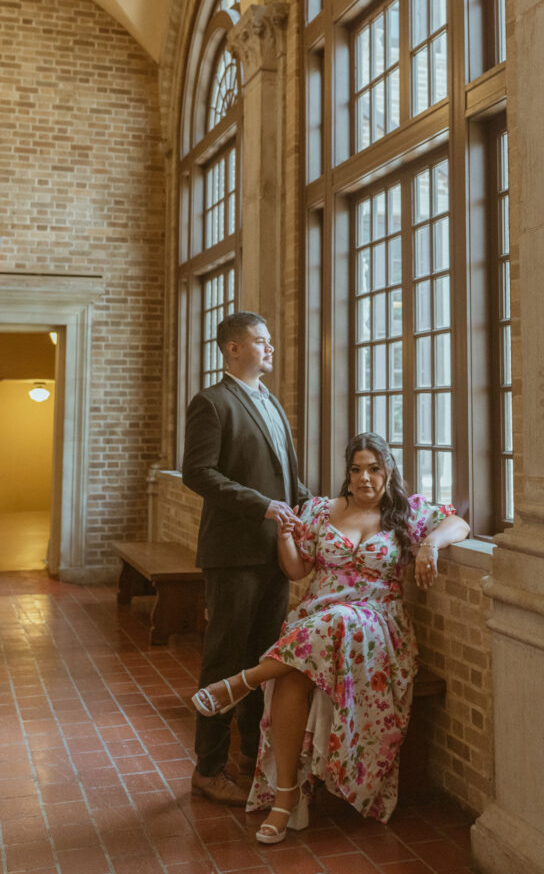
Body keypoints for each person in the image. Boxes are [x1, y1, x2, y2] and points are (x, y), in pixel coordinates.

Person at [191, 432, 469, 838]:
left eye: (374, 469)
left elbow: (459, 523)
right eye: (356, 470)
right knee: (291, 675)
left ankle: (242, 681)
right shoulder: (322, 510)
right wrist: (286, 536)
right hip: (317, 623)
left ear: (388, 471)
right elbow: (297, 571)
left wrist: (430, 545)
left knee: (339, 619)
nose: (364, 478)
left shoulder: (406, 513)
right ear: (348, 473)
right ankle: (285, 799)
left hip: (376, 624)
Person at [182, 311, 310, 805]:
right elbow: (198, 473)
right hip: (233, 554)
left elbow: (283, 478)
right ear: (233, 349)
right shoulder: (211, 403)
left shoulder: (272, 402)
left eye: (270, 340)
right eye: (260, 341)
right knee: (223, 659)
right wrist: (262, 506)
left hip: (274, 554)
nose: (270, 348)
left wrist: (312, 505)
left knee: (263, 661)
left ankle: (252, 759)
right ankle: (208, 768)